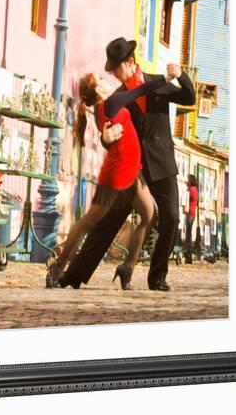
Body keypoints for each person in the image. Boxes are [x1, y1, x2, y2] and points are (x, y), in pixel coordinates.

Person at [60, 37, 196, 292]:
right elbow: (109, 130)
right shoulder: (119, 96)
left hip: (163, 164)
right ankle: (72, 275)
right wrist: (104, 139)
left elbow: (189, 98)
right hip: (134, 168)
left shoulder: (158, 82)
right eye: (110, 70)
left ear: (130, 62)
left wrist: (181, 74)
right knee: (109, 222)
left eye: (116, 68)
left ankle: (157, 277)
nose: (112, 74)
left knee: (171, 218)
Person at [46, 69, 172, 290]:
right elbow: (142, 89)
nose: (106, 81)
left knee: (149, 215)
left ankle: (127, 268)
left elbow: (111, 135)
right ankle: (57, 268)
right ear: (98, 90)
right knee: (88, 222)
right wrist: (167, 79)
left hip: (131, 171)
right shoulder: (111, 102)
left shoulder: (101, 109)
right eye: (102, 80)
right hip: (118, 175)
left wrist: (107, 137)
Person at [184, 174, 198, 264]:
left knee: (188, 235)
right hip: (193, 213)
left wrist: (186, 189)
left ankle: (188, 255)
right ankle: (188, 254)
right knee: (189, 234)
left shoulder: (191, 190)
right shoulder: (196, 190)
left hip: (189, 213)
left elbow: (186, 199)